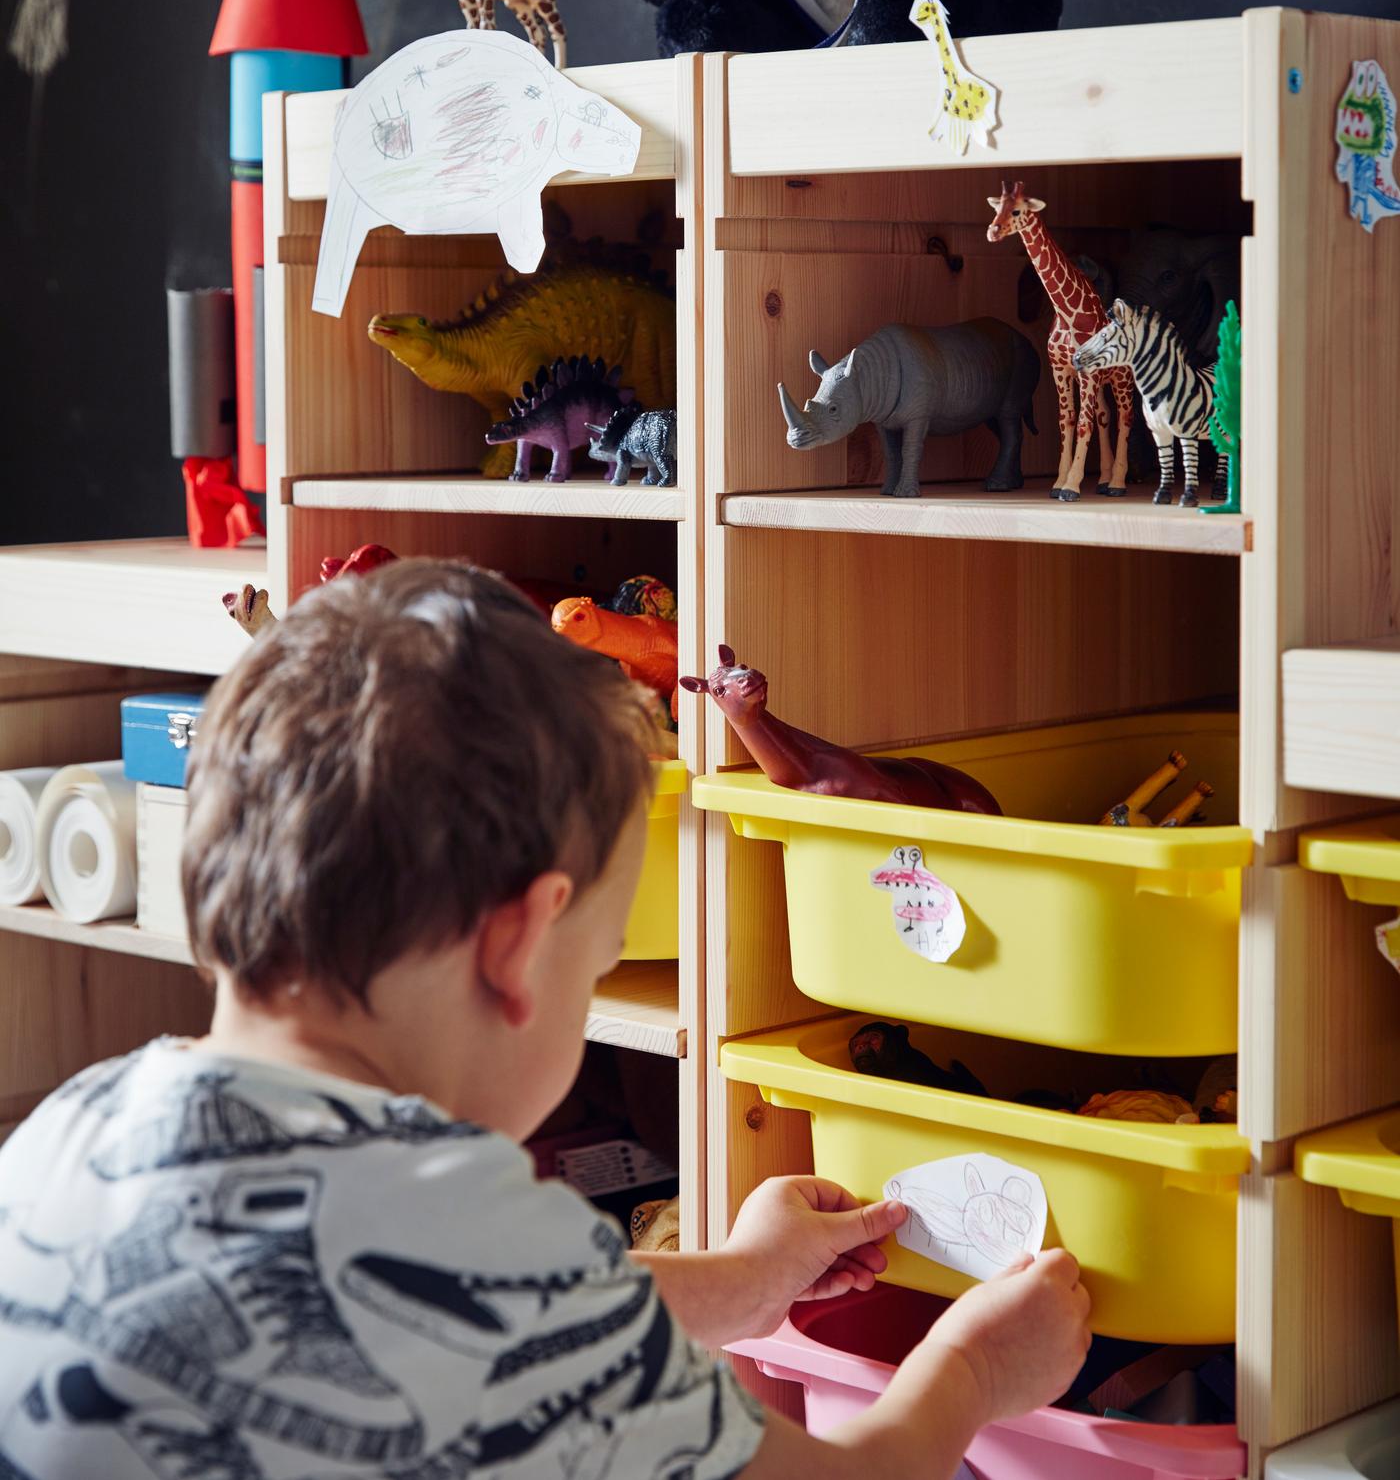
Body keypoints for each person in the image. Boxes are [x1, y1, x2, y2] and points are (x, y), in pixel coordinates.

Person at [0, 560, 1090, 1478]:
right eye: (598, 963)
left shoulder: (64, 1133)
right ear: (518, 943)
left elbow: (457, 1306)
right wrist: (973, 1372)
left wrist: (742, 1280)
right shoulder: (483, 1255)